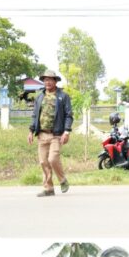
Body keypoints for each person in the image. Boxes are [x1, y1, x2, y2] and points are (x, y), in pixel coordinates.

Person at [28, 69, 73, 197]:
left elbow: (69, 115)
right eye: (45, 79)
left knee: (53, 159)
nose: (47, 82)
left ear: (55, 81)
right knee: (43, 162)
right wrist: (31, 131)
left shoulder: (63, 96)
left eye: (50, 79)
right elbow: (35, 115)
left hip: (56, 134)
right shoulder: (39, 97)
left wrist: (67, 131)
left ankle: (62, 180)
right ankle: (48, 188)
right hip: (42, 134)